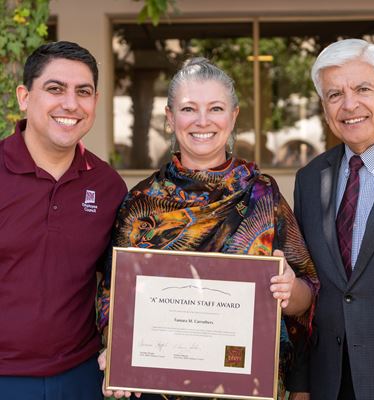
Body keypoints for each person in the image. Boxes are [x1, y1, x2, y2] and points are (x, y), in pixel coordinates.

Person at [97, 57, 319, 400]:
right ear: (170, 118)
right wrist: (117, 354)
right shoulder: (141, 202)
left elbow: (306, 295)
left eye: (216, 108)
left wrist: (290, 291)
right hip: (158, 387)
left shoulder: (262, 194)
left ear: (233, 116)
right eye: (188, 109)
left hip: (248, 386)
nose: (202, 121)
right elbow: (113, 299)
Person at [0, 41, 127, 400]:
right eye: (55, 89)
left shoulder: (108, 186)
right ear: (25, 97)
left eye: (83, 92)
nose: (70, 104)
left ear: (95, 103)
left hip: (80, 377)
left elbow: (122, 282)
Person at [294, 38, 374, 399]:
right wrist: (300, 384)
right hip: (331, 382)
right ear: (324, 107)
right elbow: (308, 283)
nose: (349, 104)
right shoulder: (310, 180)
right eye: (334, 94)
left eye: (362, 88)